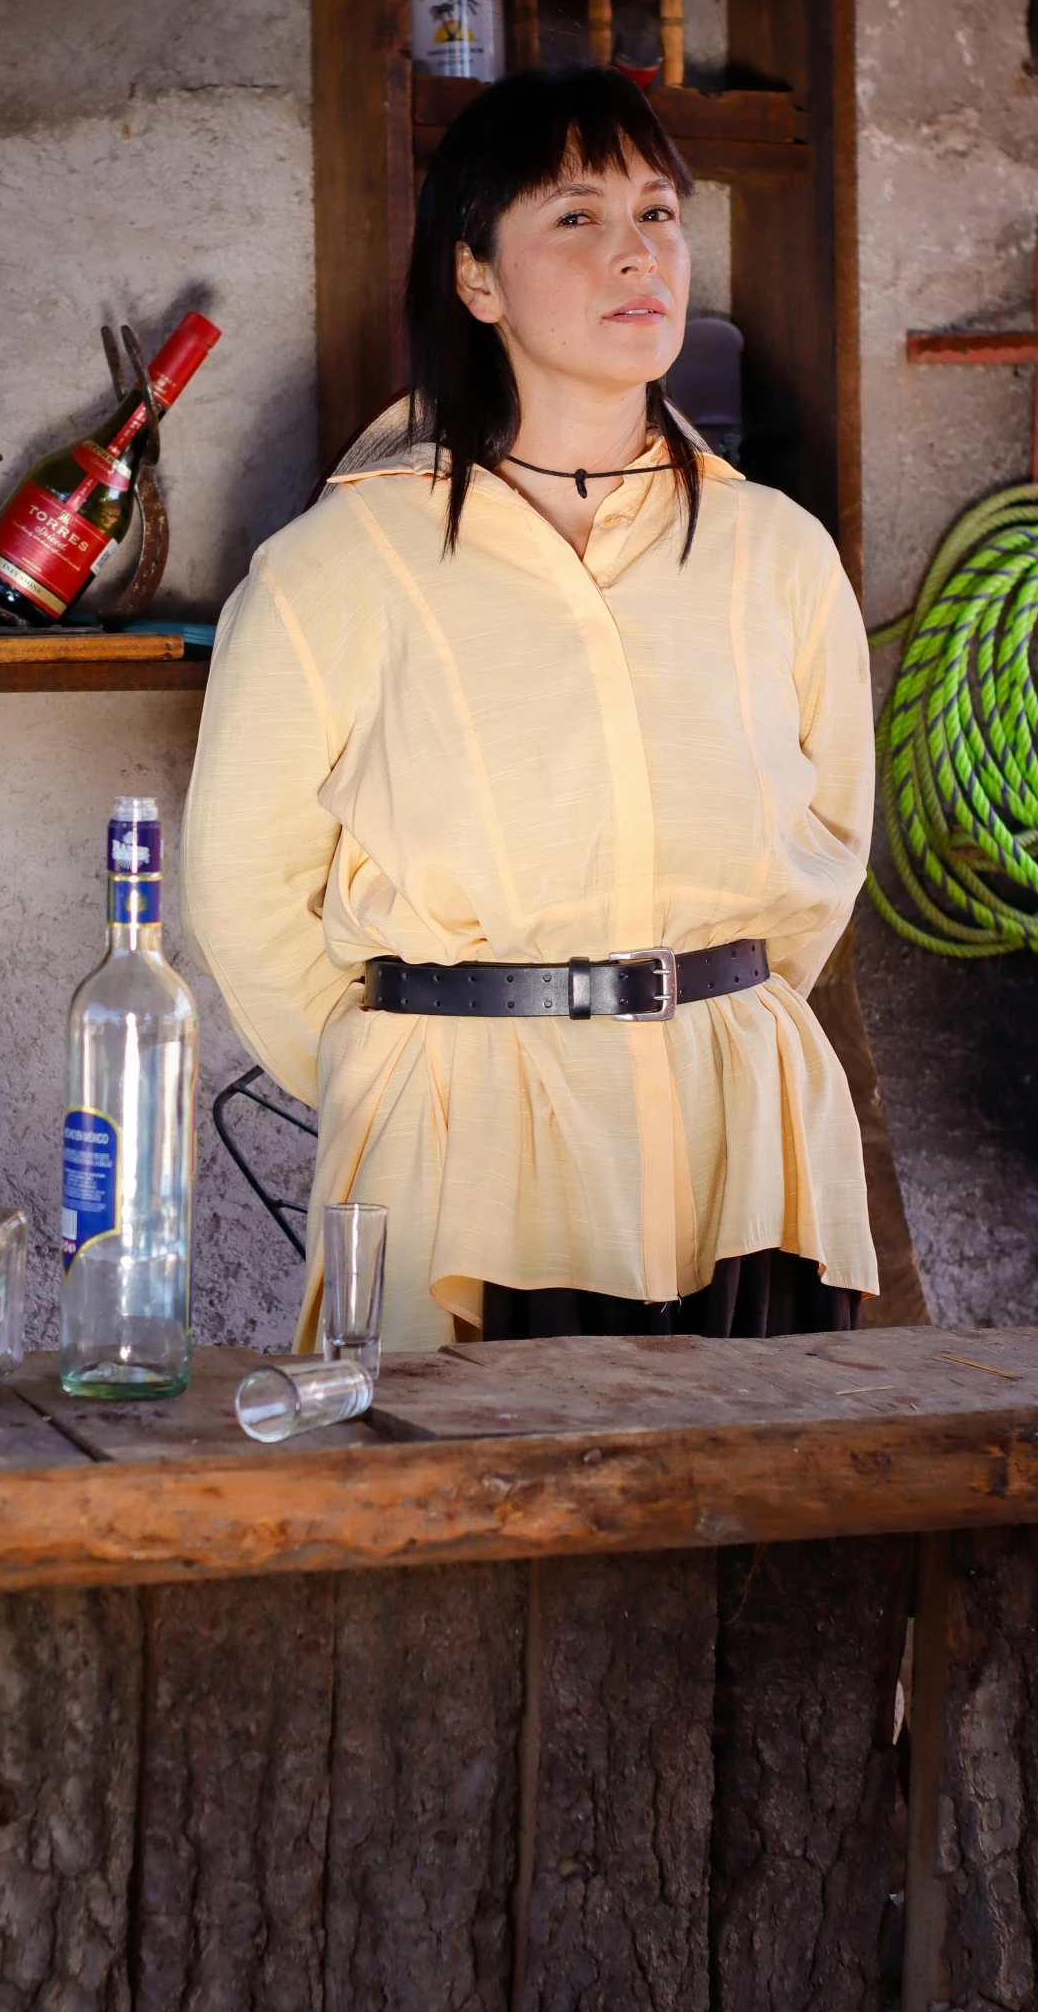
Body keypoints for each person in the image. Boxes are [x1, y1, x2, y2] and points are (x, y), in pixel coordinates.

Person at [181, 67, 876, 1351]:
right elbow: (241, 887)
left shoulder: (775, 551)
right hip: (460, 1151)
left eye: (658, 215)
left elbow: (825, 851)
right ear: (476, 279)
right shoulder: (336, 567)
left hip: (744, 1138)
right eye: (575, 216)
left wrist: (694, 1009)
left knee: (752, 1528)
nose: (635, 254)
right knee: (471, 1528)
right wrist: (395, 1073)